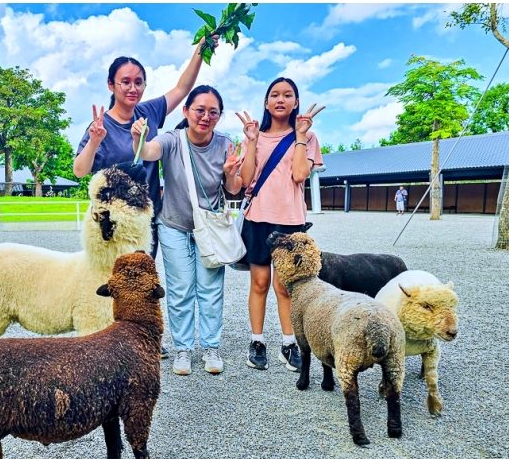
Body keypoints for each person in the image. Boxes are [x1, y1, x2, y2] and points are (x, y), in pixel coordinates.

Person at [74, 43, 216, 357]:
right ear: (111, 85)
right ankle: (110, 336)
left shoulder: (148, 112)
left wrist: (201, 50)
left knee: (143, 277)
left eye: (139, 81)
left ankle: (143, 337)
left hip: (147, 217)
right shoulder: (101, 126)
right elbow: (80, 169)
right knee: (112, 276)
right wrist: (95, 140)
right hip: (114, 221)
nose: (133, 88)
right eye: (125, 81)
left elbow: (182, 88)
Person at [132, 85, 243, 376]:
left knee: (210, 289)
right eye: (200, 110)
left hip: (210, 227)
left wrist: (231, 174)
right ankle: (183, 349)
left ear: (219, 116)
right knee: (181, 289)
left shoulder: (225, 144)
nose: (205, 117)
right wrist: (138, 139)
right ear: (186, 111)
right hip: (173, 225)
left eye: (213, 112)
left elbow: (232, 190)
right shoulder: (172, 139)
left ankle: (210, 347)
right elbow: (149, 151)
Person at [232, 77, 325, 371]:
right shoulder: (254, 136)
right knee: (259, 283)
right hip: (258, 219)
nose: (280, 99)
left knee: (285, 285)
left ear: (296, 102)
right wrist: (250, 141)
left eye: (287, 95)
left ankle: (289, 342)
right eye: (274, 94)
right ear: (266, 102)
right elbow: (245, 181)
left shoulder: (308, 137)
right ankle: (257, 340)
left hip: (291, 220)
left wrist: (299, 135)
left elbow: (299, 175)